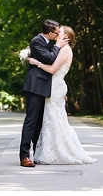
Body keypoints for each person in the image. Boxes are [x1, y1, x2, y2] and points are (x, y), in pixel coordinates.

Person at [28, 26, 96, 165]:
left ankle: (60, 151)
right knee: (53, 118)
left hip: (55, 86)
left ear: (66, 37)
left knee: (54, 118)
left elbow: (52, 69)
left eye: (60, 32)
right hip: (55, 85)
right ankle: (50, 150)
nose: (56, 34)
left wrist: (36, 63)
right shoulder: (61, 49)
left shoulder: (65, 50)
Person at [19, 19, 68, 167]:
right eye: (56, 32)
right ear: (49, 33)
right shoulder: (37, 41)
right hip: (35, 85)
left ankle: (38, 153)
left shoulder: (48, 42)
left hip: (45, 86)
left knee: (40, 122)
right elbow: (49, 58)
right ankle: (24, 156)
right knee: (31, 120)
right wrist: (58, 46)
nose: (58, 34)